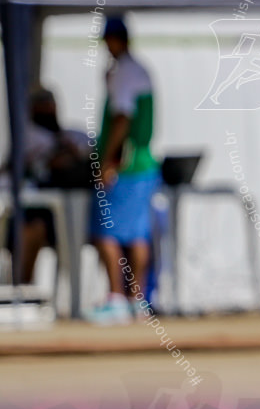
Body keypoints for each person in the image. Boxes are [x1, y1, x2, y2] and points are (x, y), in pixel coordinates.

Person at [88, 17, 161, 324]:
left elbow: (122, 118)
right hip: (143, 164)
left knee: (107, 230)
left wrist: (107, 162)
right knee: (138, 234)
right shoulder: (140, 70)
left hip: (124, 164)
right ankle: (137, 300)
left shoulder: (125, 73)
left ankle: (117, 297)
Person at [2, 87, 90, 284]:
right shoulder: (26, 137)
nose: (47, 110)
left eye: (49, 105)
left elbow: (88, 158)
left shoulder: (73, 135)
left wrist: (68, 152)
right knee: (32, 228)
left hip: (72, 211)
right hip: (29, 207)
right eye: (41, 106)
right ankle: (21, 288)